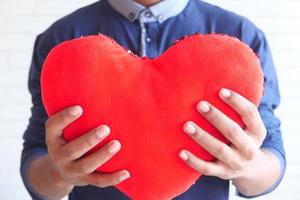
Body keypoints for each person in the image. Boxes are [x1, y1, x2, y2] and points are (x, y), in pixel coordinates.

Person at [21, 0, 286, 199]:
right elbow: (36, 163)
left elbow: (271, 158)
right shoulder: (62, 40)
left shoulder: (240, 37)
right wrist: (58, 172)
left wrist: (247, 166)